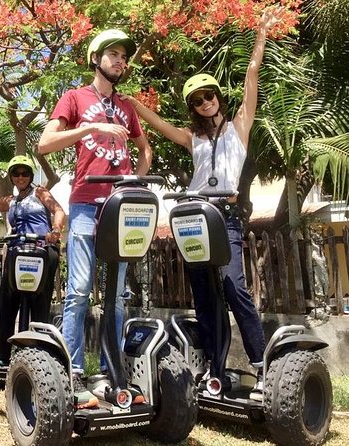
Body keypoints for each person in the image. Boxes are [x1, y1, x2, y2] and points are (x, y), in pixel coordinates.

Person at [125, 9, 282, 401]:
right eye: (197, 101)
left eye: (209, 97)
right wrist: (130, 103)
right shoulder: (191, 139)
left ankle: (261, 365)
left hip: (225, 218)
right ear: (192, 108)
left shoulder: (239, 127)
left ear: (218, 98)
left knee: (233, 287)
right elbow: (158, 124)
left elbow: (251, 80)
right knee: (204, 295)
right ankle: (213, 366)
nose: (205, 103)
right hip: (194, 219)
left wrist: (260, 39)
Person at [37, 29, 153, 408]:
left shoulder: (128, 107)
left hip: (120, 206)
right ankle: (69, 372)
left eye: (124, 56)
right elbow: (45, 142)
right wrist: (91, 127)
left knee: (118, 297)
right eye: (113, 54)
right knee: (79, 291)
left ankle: (110, 371)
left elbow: (144, 147)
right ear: (96, 58)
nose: (121, 61)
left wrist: (138, 181)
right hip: (86, 203)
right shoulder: (74, 98)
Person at [0, 156, 66, 367]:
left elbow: (58, 210)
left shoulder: (40, 192)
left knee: (40, 302)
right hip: (18, 252)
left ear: (31, 175)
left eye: (25, 173)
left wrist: (55, 230)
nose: (20, 177)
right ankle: (3, 355)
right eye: (16, 173)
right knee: (6, 301)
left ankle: (38, 351)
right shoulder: (10, 201)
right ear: (12, 176)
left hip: (42, 250)